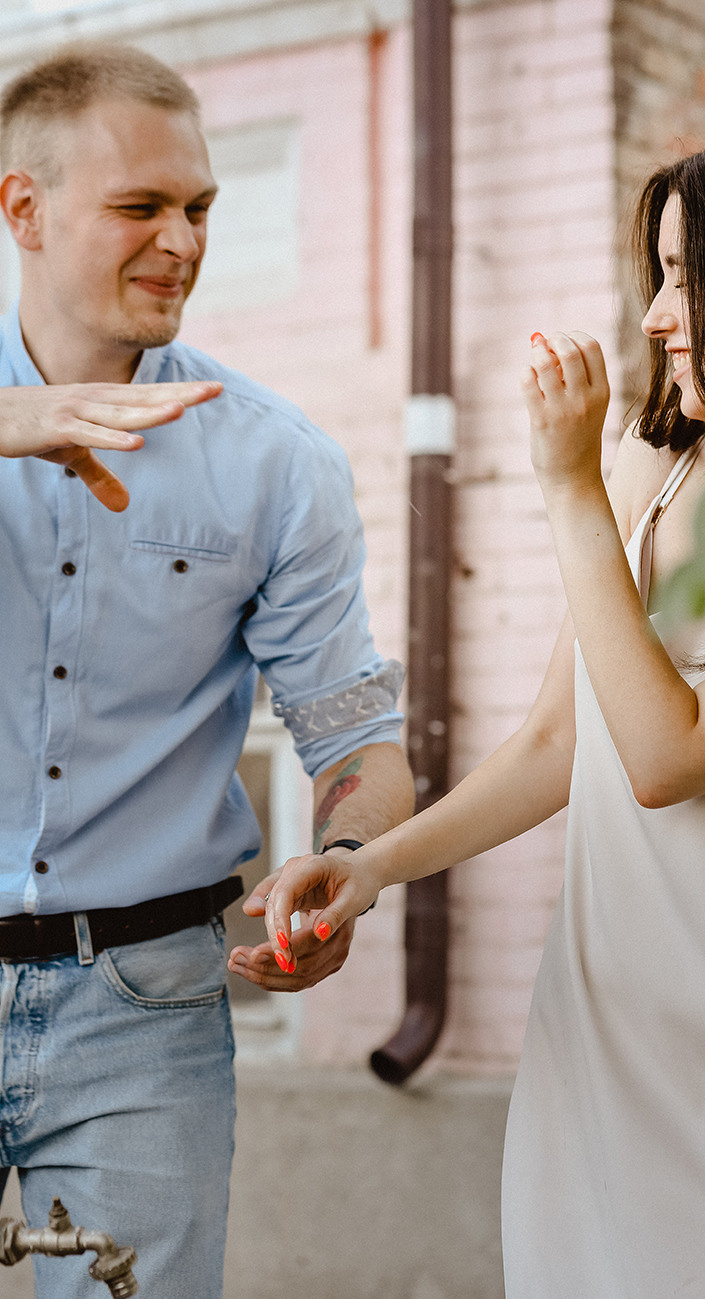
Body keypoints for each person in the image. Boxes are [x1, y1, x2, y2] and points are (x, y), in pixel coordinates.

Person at [252, 128, 705, 1297]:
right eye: (659, 276)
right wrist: (373, 867)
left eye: (688, 277)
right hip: (601, 1059)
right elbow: (556, 739)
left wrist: (569, 492)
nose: (656, 317)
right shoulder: (655, 464)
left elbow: (663, 757)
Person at [0, 40, 414, 1299]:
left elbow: (354, 738)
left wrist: (347, 859)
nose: (180, 241)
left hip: (144, 1011)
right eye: (140, 206)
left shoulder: (276, 464)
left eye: (199, 209)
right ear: (24, 207)